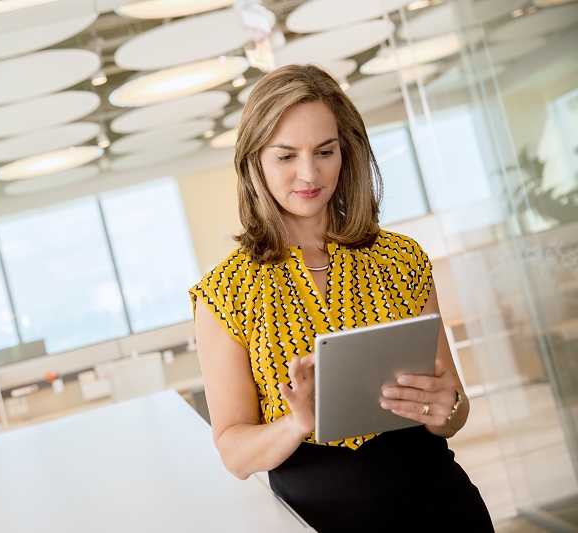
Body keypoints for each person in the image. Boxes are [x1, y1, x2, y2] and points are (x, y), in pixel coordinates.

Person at [188, 64, 493, 531]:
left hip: (440, 505)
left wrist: (443, 409)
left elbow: (454, 409)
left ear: (346, 153)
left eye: (325, 151)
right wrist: (297, 423)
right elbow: (234, 452)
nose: (309, 173)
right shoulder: (224, 293)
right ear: (255, 162)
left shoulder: (402, 259)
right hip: (322, 519)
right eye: (286, 156)